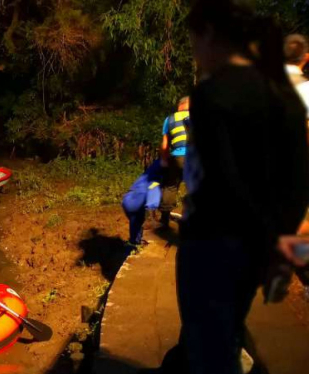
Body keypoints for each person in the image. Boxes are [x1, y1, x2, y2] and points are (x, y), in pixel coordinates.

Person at [159, 1, 309, 373]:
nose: (196, 56)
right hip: (260, 245)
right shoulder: (283, 93)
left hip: (214, 239)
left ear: (210, 35)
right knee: (225, 331)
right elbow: (297, 177)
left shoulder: (213, 93)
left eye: (195, 44)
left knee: (208, 340)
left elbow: (214, 176)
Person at [159, 97, 190, 227]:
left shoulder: (169, 119)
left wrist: (164, 160)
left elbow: (165, 144)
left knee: (170, 186)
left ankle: (164, 219)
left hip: (177, 157)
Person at [122, 160, 162, 247]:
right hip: (137, 200)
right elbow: (154, 188)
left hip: (127, 198)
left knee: (136, 222)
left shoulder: (147, 174)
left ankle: (134, 242)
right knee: (139, 220)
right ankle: (136, 241)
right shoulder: (156, 178)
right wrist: (152, 211)